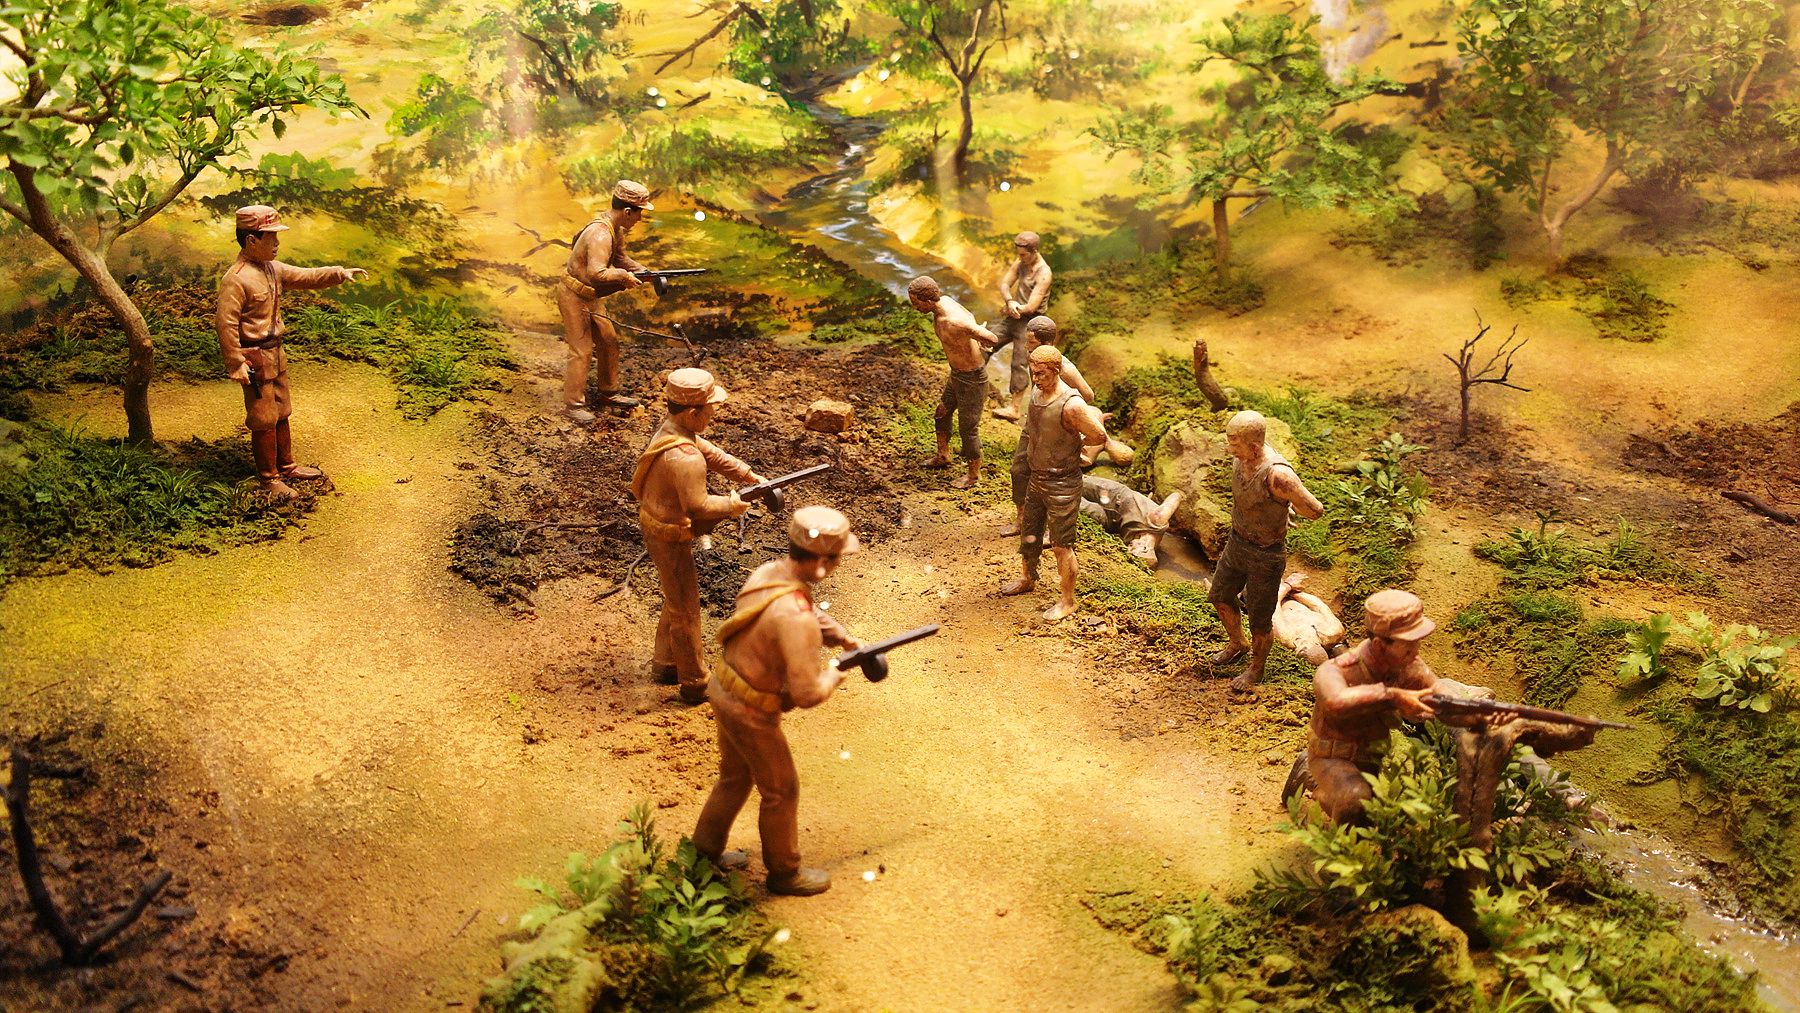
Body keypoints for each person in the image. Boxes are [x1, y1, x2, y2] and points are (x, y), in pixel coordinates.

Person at [693, 505, 863, 896]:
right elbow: (806, 693)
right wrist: (836, 671)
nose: (836, 565)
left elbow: (799, 603)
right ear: (821, 563)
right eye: (835, 558)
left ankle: (702, 853)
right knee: (781, 790)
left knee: (735, 777)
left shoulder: (770, 573)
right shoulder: (797, 620)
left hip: (724, 687)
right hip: (751, 710)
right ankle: (785, 872)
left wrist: (837, 634)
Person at [215, 204, 367, 500]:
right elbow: (226, 323)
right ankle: (269, 478)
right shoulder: (237, 278)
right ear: (252, 240)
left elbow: (306, 276)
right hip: (255, 358)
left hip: (276, 353)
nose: (277, 243)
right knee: (263, 417)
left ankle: (286, 466)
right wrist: (235, 362)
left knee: (282, 410)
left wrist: (339, 273)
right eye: (271, 237)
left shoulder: (273, 269)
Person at [632, 368, 763, 704]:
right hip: (669, 533)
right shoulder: (684, 458)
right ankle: (695, 681)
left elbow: (712, 453)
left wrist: (749, 475)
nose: (713, 415)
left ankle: (666, 663)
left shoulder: (674, 431)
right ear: (692, 413)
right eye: (709, 410)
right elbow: (698, 505)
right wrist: (732, 505)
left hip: (660, 524)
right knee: (686, 609)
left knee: (676, 598)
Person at [1000, 345, 1130, 622]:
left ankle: (1067, 600)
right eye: (1034, 373)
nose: (1036, 378)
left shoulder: (1072, 405)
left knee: (1061, 545)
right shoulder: (1037, 393)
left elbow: (1098, 436)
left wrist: (1075, 445)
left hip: (1062, 483)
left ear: (1057, 371)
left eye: (1042, 374)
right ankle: (1028, 578)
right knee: (1030, 533)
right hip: (1037, 477)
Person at [1208, 410, 1324, 691]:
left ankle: (1256, 669)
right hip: (1237, 543)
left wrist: (1287, 504)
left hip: (1265, 555)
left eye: (1235, 444)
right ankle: (1237, 643)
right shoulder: (1241, 459)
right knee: (1220, 595)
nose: (1230, 449)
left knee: (1260, 619)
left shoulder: (1279, 476)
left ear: (1254, 446)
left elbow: (1315, 510)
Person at [998, 315, 1130, 536]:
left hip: (1056, 430)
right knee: (1019, 471)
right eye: (1027, 341)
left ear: (1047, 342)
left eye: (1031, 342)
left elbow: (1088, 395)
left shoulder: (1064, 368)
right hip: (1034, 426)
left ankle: (1053, 530)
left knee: (1054, 480)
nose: (1026, 346)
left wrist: (1064, 409)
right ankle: (1021, 520)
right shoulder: (1034, 359)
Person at [558, 180, 655, 422]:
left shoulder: (615, 229)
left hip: (591, 296)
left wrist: (645, 272)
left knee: (609, 341)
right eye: (640, 213)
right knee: (581, 350)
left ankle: (609, 393)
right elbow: (597, 273)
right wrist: (624, 277)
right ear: (628, 212)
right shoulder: (600, 234)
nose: (640, 218)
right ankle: (573, 405)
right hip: (574, 295)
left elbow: (621, 259)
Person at [908, 275, 997, 490]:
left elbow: (992, 338)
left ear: (928, 300)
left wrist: (979, 337)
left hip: (972, 380)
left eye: (916, 303)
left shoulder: (952, 321)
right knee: (941, 413)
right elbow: (970, 316)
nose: (914, 307)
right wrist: (974, 336)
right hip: (956, 375)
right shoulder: (945, 301)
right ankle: (943, 455)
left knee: (968, 429)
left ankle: (974, 475)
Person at [987, 232, 1052, 422]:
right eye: (1019, 254)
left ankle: (1015, 408)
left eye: (1023, 254)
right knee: (987, 340)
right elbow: (1005, 284)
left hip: (1031, 322)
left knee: (1020, 362)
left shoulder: (1044, 273)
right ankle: (972, 382)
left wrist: (1015, 308)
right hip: (1014, 315)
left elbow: (1032, 306)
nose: (1020, 258)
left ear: (1034, 251)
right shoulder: (1021, 262)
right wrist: (1010, 302)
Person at [1078, 476, 1181, 566]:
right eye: (1133, 550)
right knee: (1075, 481)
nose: (1129, 549)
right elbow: (1176, 496)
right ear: (1145, 549)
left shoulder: (1139, 541)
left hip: (1110, 520)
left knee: (1076, 505)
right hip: (1115, 495)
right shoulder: (1157, 520)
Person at [1271, 572, 1348, 666]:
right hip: (1294, 596)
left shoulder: (1286, 637)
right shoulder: (1333, 632)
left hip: (1275, 598)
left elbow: (1273, 606)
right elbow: (1318, 606)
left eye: (1296, 649)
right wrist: (1293, 592)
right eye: (1303, 644)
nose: (1297, 643)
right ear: (1318, 645)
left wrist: (1287, 587)